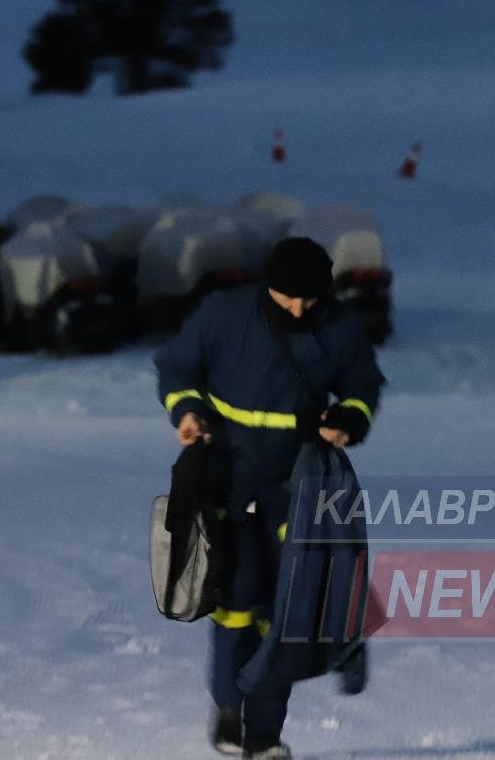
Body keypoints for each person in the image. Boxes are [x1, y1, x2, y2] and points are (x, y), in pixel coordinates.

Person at [155, 237, 386, 759]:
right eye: (290, 299)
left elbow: (363, 384)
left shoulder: (338, 326)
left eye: (311, 300)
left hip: (297, 484)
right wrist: (187, 412)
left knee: (288, 610)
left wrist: (351, 417)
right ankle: (228, 710)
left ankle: (264, 734)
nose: (301, 309)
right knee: (235, 601)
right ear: (268, 288)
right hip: (227, 478)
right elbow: (174, 367)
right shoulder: (223, 314)